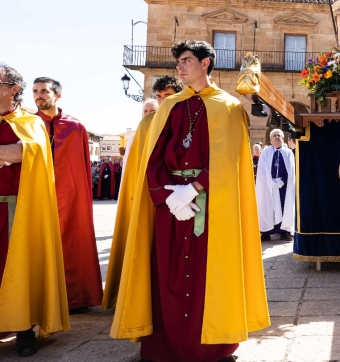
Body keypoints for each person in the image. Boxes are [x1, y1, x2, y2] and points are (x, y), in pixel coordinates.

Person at [110, 41, 269, 361]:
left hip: (211, 203)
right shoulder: (170, 106)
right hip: (171, 203)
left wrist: (193, 189)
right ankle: (165, 345)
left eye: (186, 61)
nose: (180, 68)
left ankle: (211, 343)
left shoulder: (228, 106)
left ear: (206, 63)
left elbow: (227, 161)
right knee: (166, 270)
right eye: (178, 63)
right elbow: (152, 157)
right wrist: (166, 194)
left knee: (205, 274)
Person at [0, 65, 69, 356]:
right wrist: (8, 153)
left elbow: (29, 153)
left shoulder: (30, 122)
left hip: (18, 208)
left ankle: (24, 328)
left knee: (18, 269)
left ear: (13, 89)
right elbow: (13, 152)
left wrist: (13, 154)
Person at [102, 75, 183, 311]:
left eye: (167, 96)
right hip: (152, 195)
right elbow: (138, 166)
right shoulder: (147, 125)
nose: (161, 101)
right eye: (159, 96)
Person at [33, 77, 103, 312]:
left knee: (73, 240)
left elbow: (81, 167)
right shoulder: (28, 124)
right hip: (36, 192)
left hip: (70, 193)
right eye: (35, 91)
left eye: (43, 91)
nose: (38, 95)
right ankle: (38, 297)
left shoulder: (75, 127)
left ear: (57, 95)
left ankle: (76, 297)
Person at [256, 128, 296, 242]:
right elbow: (262, 170)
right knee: (268, 207)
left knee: (284, 206)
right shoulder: (265, 152)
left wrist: (282, 181)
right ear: (270, 139)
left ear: (283, 138)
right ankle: (266, 232)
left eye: (279, 135)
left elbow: (292, 170)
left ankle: (284, 232)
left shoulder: (288, 152)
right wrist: (271, 182)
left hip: (284, 186)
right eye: (275, 135)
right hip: (269, 185)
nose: (277, 137)